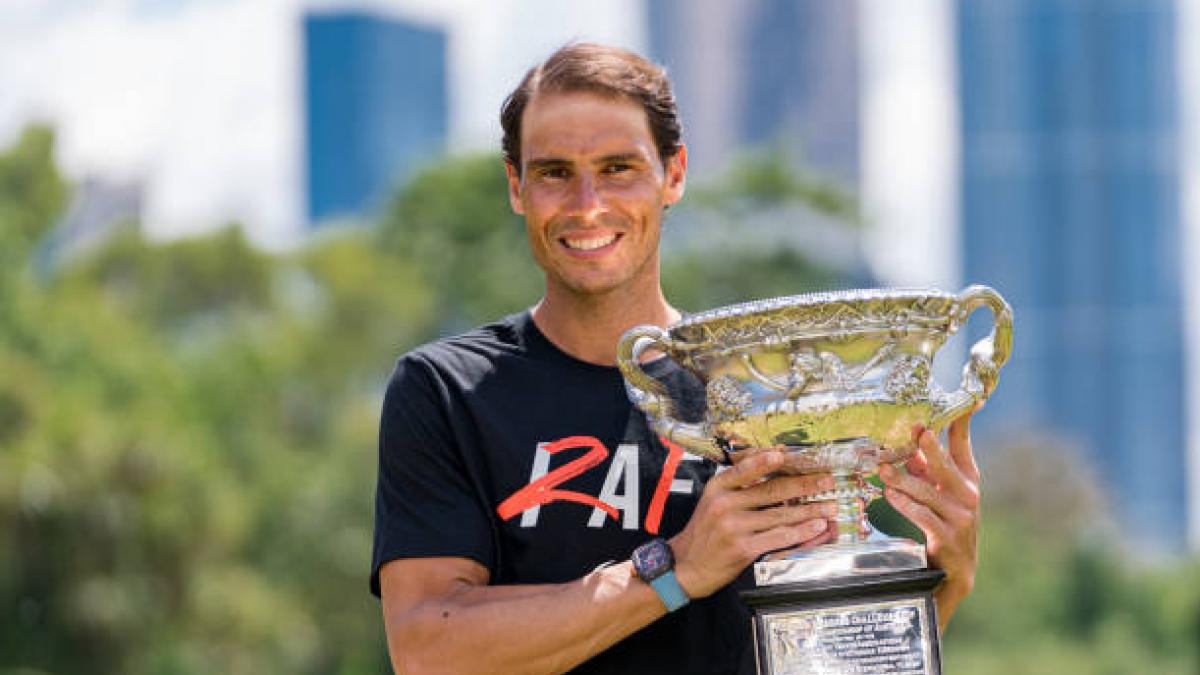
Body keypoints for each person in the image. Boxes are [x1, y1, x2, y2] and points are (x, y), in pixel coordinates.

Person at [371, 43, 981, 674]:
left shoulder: (761, 391)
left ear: (675, 173)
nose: (587, 204)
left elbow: (829, 653)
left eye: (618, 168)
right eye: (554, 172)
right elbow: (429, 650)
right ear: (516, 186)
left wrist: (944, 582)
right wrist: (677, 569)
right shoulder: (447, 390)